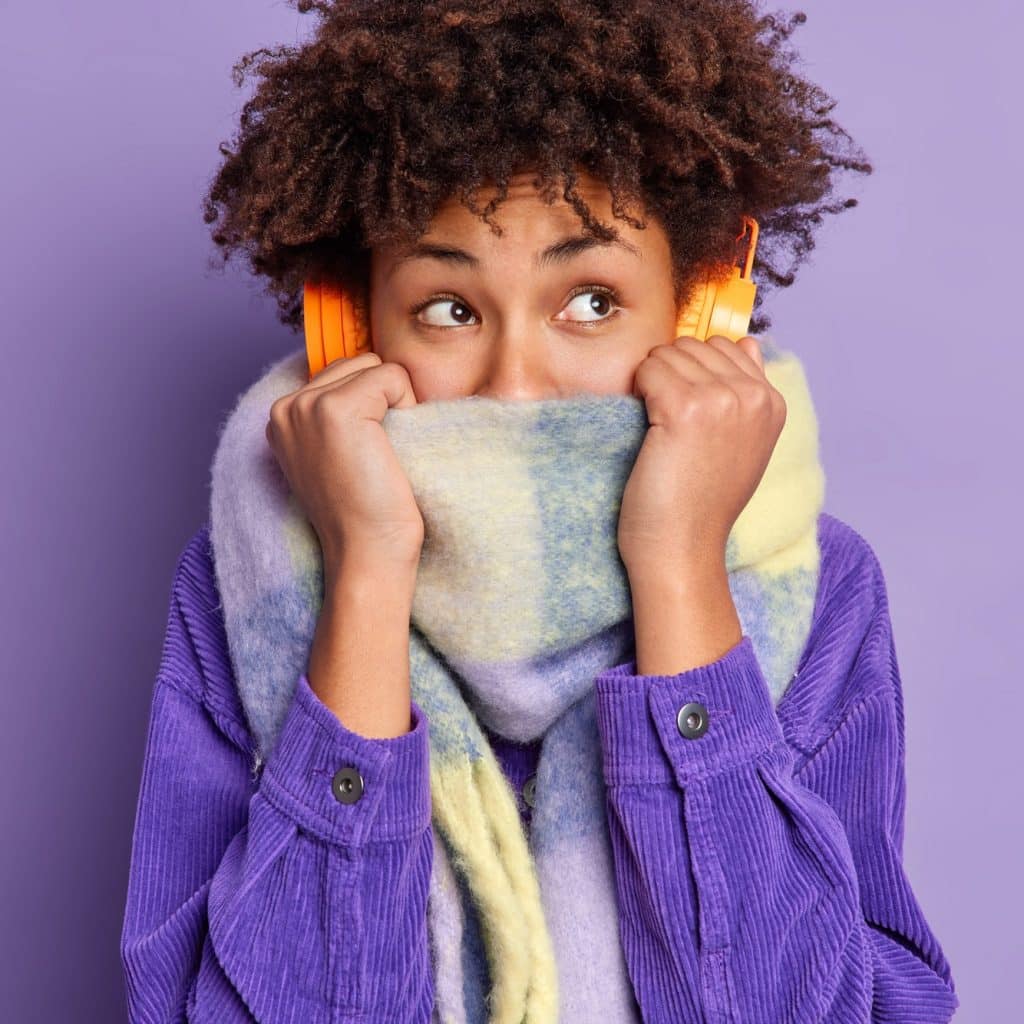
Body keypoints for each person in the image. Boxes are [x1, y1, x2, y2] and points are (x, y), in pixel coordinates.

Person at [120, 1, 959, 1021]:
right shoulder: (244, 585)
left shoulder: (810, 584)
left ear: (702, 311)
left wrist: (681, 568)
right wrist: (367, 574)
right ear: (348, 325)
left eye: (592, 301)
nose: (515, 383)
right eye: (448, 307)